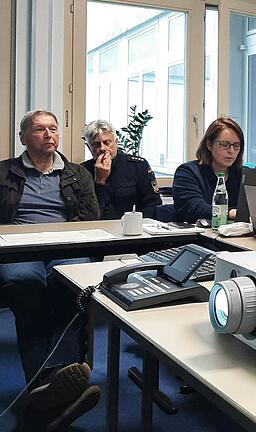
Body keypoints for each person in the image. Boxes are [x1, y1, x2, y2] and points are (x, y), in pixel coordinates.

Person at [0, 110, 101, 429]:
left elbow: (90, 217)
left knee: (74, 293)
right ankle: (56, 386)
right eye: (40, 130)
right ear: (23, 138)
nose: (48, 135)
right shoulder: (4, 173)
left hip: (65, 247)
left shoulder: (76, 174)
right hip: (19, 248)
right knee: (27, 289)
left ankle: (47, 390)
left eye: (53, 129)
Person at [81, 119, 162, 219]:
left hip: (134, 227)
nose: (102, 148)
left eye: (107, 142)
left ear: (116, 142)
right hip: (97, 229)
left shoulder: (137, 166)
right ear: (89, 147)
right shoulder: (82, 171)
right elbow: (87, 213)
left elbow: (152, 203)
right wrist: (100, 182)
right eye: (96, 144)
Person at [173, 116, 244, 223]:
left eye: (236, 146)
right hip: (197, 236)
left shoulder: (243, 174)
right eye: (224, 145)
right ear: (209, 144)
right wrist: (229, 213)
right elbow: (194, 207)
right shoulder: (187, 172)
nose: (231, 151)